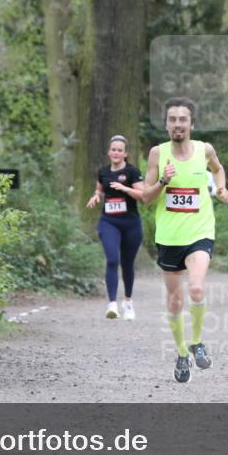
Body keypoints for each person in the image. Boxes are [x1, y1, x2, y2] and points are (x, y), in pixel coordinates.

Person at [142, 97, 228, 382]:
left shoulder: (205, 150)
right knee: (174, 302)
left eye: (182, 120)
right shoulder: (158, 153)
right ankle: (182, 353)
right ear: (167, 124)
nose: (177, 124)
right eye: (172, 120)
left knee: (195, 288)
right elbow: (146, 197)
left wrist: (221, 189)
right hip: (169, 237)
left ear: (191, 124)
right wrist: (163, 182)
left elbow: (218, 169)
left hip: (200, 232)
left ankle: (197, 342)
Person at [86, 135, 144, 320]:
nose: (116, 153)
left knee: (127, 264)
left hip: (131, 223)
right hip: (109, 221)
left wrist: (124, 188)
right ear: (109, 152)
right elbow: (99, 189)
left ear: (125, 153)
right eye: (113, 149)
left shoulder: (132, 172)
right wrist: (96, 196)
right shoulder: (103, 172)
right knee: (112, 259)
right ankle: (112, 304)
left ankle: (128, 302)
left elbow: (141, 195)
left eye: (120, 150)